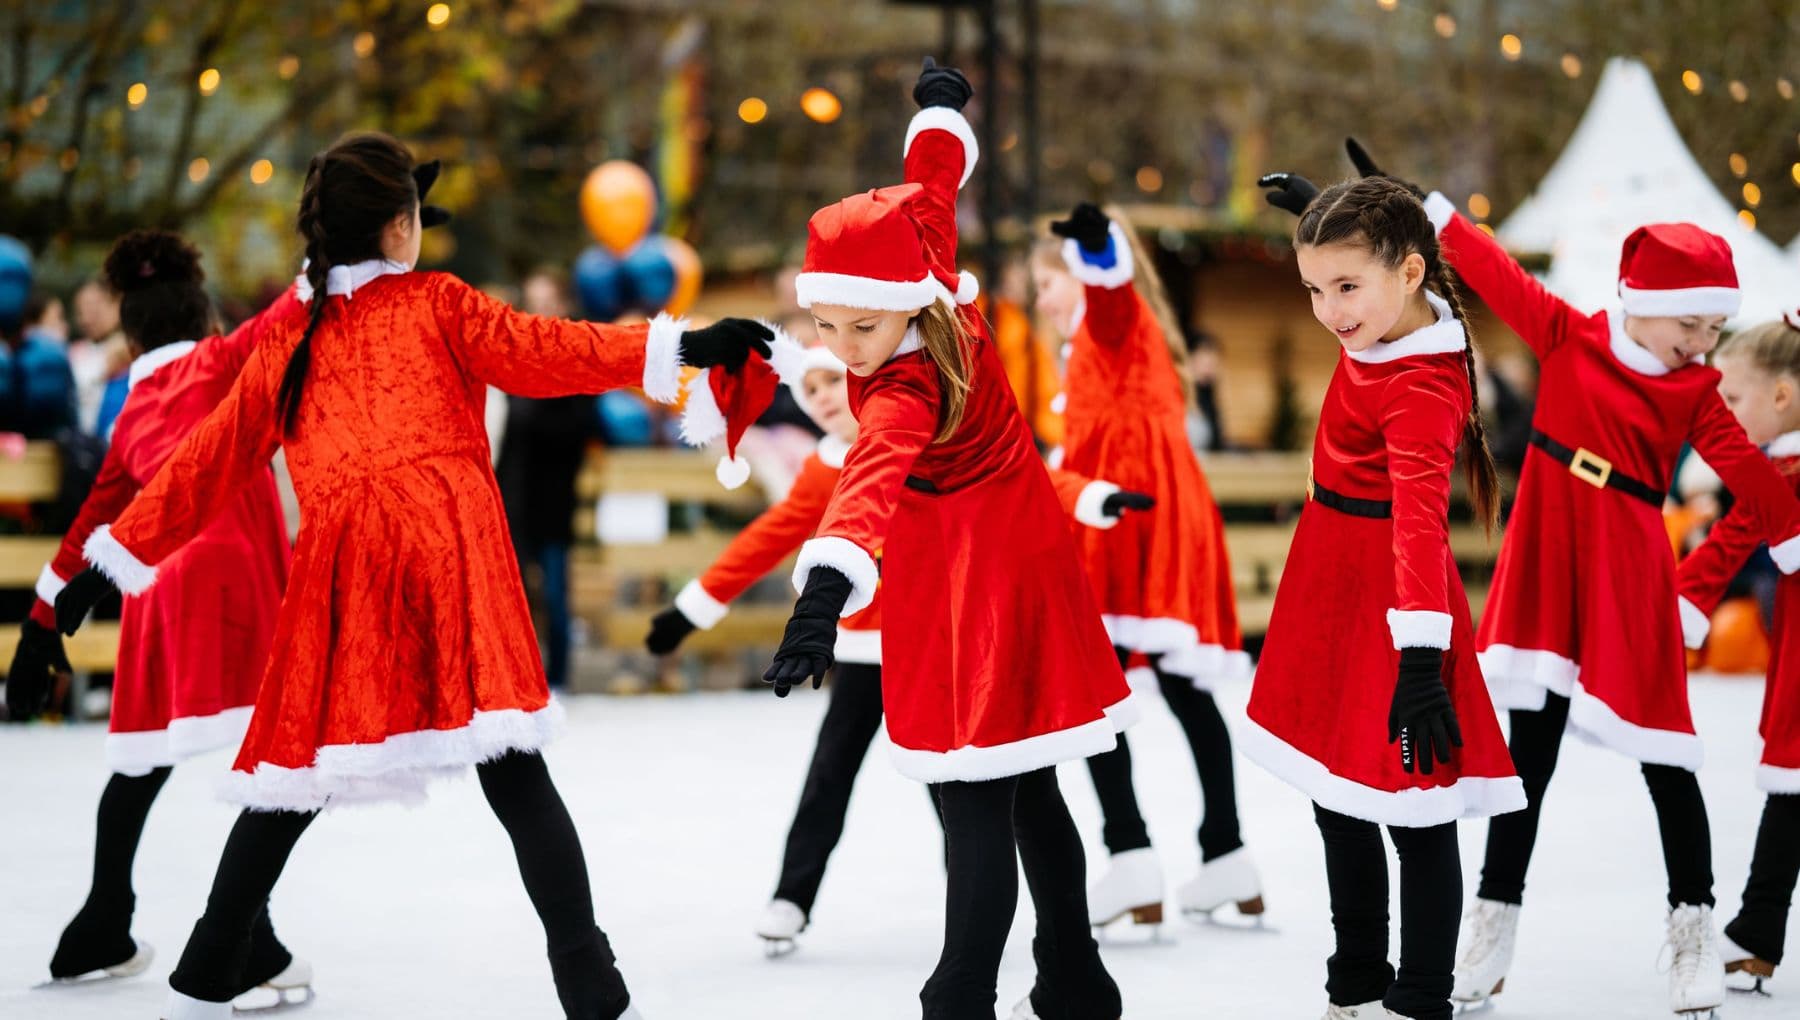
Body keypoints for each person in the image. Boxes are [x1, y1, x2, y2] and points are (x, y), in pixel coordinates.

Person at [52, 132, 774, 1020]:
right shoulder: (438, 303)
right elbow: (551, 350)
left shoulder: (290, 341)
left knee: (298, 770)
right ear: (401, 227)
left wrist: (102, 565)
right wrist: (687, 345)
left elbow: (205, 463)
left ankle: (215, 944)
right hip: (450, 551)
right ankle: (585, 971)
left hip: (345, 563)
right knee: (514, 772)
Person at [1334, 141, 1800, 1016]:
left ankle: (1693, 928)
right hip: (1549, 550)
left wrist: (1789, 526)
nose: (1704, 344)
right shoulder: (1571, 334)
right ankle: (1493, 930)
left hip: (1626, 562)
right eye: (1691, 325)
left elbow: (1753, 477)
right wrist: (1410, 205)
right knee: (1528, 758)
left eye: (1713, 329)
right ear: (1644, 305)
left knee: (1667, 756)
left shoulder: (1697, 391)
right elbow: (1489, 265)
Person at [761, 59, 1136, 1020]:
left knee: (976, 794)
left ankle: (962, 990)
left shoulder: (906, 386)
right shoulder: (922, 263)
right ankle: (1077, 975)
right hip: (1012, 547)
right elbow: (930, 178)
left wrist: (818, 599)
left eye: (860, 325)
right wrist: (940, 110)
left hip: (983, 574)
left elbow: (869, 483)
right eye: (824, 324)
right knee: (1028, 784)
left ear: (908, 303)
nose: (843, 345)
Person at [6, 230, 310, 1004]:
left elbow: (91, 523)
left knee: (139, 764)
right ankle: (251, 941)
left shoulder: (133, 407)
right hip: (236, 583)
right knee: (270, 762)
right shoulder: (221, 362)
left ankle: (103, 917)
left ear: (132, 332)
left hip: (154, 590)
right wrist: (363, 227)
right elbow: (295, 308)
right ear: (202, 315)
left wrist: (40, 627)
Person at [1253, 171, 1524, 1020]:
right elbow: (1358, 274)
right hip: (1329, 582)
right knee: (1338, 797)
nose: (1331, 311)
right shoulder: (1377, 319)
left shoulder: (1418, 386)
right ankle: (1357, 974)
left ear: (1410, 275)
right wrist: (1322, 213)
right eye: (1313, 290)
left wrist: (1418, 662)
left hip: (1393, 601)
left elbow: (1418, 527)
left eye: (1345, 287)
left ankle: (1419, 995)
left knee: (1416, 809)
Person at [1030, 203, 1262, 931]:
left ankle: (1131, 855)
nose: (1039, 301)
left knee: (1097, 686)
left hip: (1130, 520)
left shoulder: (1112, 322)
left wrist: (1100, 253)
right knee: (1181, 687)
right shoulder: (1108, 342)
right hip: (1151, 509)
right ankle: (1224, 853)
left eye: (1045, 285)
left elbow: (1110, 294)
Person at [1675, 314, 1800, 994]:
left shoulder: (1775, 474)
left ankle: (1756, 932)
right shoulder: (1769, 475)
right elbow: (1719, 551)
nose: (1723, 415)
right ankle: (1755, 933)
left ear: (1780, 397)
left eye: (1733, 398)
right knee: (1792, 794)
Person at [497, 267, 595, 689]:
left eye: (549, 301)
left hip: (554, 494)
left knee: (554, 591)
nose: (542, 310)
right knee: (514, 592)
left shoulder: (574, 355)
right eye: (535, 301)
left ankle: (558, 675)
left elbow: (580, 425)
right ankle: (519, 675)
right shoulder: (513, 353)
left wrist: (532, 412)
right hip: (514, 493)